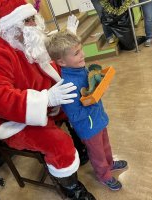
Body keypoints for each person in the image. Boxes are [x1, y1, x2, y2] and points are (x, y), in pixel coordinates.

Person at [0, 0, 96, 199]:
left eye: (33, 18)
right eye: (26, 20)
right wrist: (46, 99)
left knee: (80, 103)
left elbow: (53, 61)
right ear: (10, 28)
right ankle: (72, 190)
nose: (33, 23)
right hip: (14, 120)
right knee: (59, 143)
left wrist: (69, 38)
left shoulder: (31, 42)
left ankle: (81, 146)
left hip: (46, 104)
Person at [45, 30, 128, 191]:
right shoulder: (68, 86)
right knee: (97, 153)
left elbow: (91, 88)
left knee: (106, 144)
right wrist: (93, 100)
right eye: (76, 53)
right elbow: (74, 115)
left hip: (99, 119)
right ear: (61, 62)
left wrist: (99, 86)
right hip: (88, 128)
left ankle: (110, 163)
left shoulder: (80, 69)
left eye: (81, 49)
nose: (82, 55)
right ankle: (104, 175)